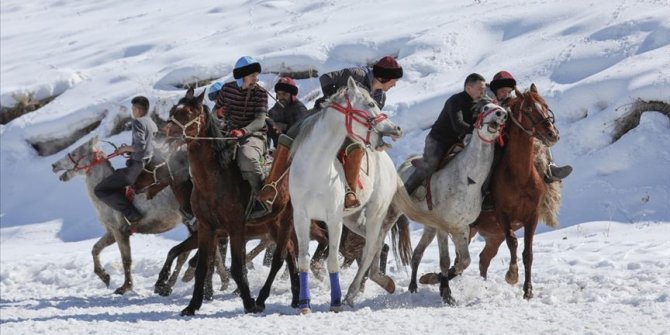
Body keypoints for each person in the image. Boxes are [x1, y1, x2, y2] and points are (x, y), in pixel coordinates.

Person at [256, 56, 403, 209]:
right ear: (384, 76)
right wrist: (333, 102)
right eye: (394, 80)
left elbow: (373, 121)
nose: (394, 84)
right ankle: (272, 185)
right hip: (323, 116)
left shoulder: (380, 97)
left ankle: (349, 192)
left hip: (351, 130)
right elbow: (326, 78)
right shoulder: (358, 74)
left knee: (357, 148)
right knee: (289, 135)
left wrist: (382, 135)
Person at [403, 73, 487, 196]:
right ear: (468, 88)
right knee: (430, 165)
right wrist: (477, 130)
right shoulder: (455, 100)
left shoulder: (482, 103)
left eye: (484, 89)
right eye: (480, 89)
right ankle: (404, 194)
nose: (483, 92)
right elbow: (458, 124)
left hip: (459, 142)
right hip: (438, 141)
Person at [487, 70, 572, 182]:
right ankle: (486, 184)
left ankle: (550, 167)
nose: (506, 94)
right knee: (493, 158)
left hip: (510, 136)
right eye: (503, 91)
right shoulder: (488, 102)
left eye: (508, 91)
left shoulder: (512, 101)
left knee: (539, 140)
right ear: (495, 90)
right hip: (492, 138)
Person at [214, 56, 269, 218]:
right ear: (243, 75)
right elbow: (214, 114)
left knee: (247, 157)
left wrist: (243, 131)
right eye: (253, 74)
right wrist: (218, 113)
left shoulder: (260, 93)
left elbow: (260, 121)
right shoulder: (226, 90)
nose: (256, 78)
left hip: (254, 134)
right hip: (229, 134)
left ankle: (261, 198)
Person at [94, 96, 158, 226]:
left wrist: (124, 148)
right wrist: (128, 150)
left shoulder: (138, 122)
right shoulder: (151, 122)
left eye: (134, 108)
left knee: (100, 190)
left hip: (136, 167)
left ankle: (132, 215)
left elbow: (139, 146)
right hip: (147, 162)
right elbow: (148, 145)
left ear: (139, 110)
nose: (133, 111)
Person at [267, 76, 309, 147]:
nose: (281, 97)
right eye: (279, 94)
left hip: (294, 147)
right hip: (278, 148)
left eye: (284, 94)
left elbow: (304, 129)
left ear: (291, 94)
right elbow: (269, 117)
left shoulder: (299, 108)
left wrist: (283, 127)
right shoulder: (278, 105)